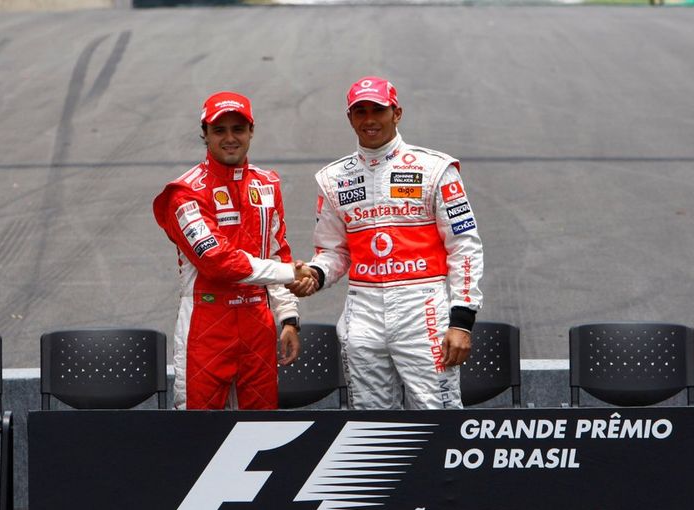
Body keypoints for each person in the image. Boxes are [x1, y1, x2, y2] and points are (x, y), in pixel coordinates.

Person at [295, 76, 484, 409]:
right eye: (360, 111)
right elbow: (333, 251)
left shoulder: (435, 169)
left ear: (397, 113)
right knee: (371, 420)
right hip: (363, 308)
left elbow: (464, 245)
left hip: (423, 308)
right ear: (350, 118)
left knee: (436, 413)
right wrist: (315, 273)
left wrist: (461, 321)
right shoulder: (333, 179)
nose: (369, 120)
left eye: (378, 110)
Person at [153, 91, 316, 410]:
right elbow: (218, 261)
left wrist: (288, 317)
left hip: (257, 321)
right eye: (219, 130)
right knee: (198, 432)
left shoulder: (267, 185)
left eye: (238, 129)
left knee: (260, 429)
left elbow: (276, 251)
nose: (230, 138)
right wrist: (289, 273)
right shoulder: (184, 193)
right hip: (205, 322)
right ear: (205, 134)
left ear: (251, 131)